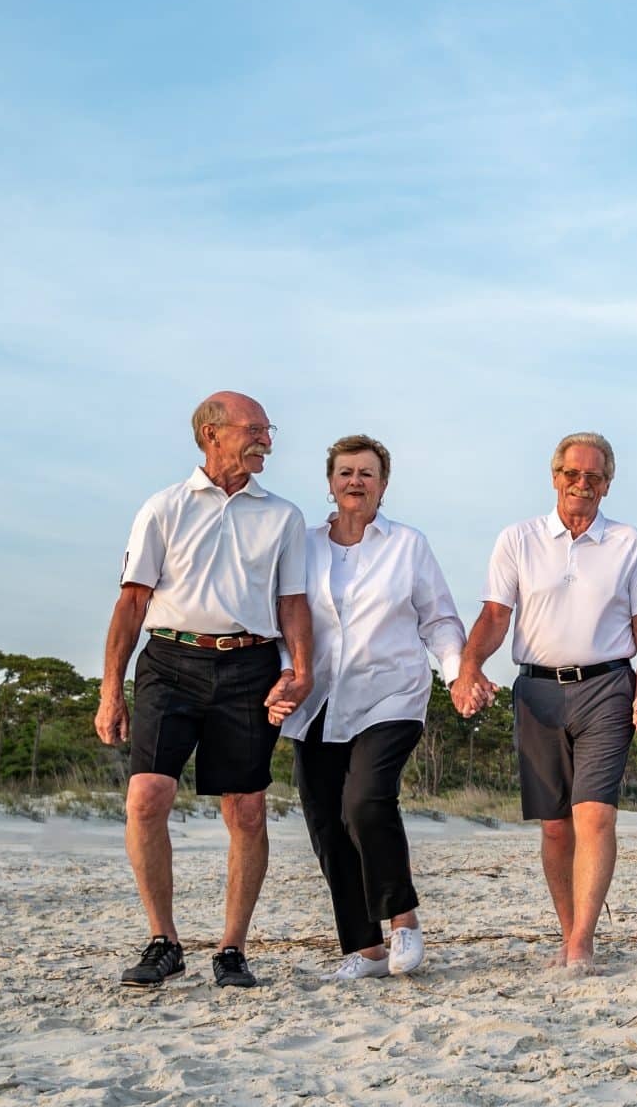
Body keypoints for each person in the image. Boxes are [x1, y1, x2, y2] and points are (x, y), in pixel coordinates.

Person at [94, 391, 311, 989]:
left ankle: (232, 948)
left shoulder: (283, 516)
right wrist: (111, 689)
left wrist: (302, 669)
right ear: (213, 433)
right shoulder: (163, 508)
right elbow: (131, 602)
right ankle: (164, 939)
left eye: (268, 429)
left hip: (250, 666)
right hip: (169, 661)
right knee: (146, 798)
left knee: (245, 809)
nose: (267, 439)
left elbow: (293, 603)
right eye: (256, 429)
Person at [452, 432, 637, 972]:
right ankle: (567, 929)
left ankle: (582, 943)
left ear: (608, 485)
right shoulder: (517, 539)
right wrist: (469, 665)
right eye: (573, 474)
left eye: (594, 477)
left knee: (594, 815)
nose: (583, 484)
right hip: (537, 690)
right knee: (554, 825)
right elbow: (496, 615)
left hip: (607, 687)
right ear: (555, 478)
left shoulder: (629, 543)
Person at [278, 435, 465, 982]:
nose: (354, 481)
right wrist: (283, 677)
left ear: (384, 485)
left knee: (364, 802)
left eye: (366, 473)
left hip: (391, 695)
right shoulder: (303, 546)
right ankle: (365, 950)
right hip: (318, 701)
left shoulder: (408, 545)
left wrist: (457, 673)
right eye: (344, 472)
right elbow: (285, 620)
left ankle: (402, 917)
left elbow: (439, 619)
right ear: (330, 482)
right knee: (325, 819)